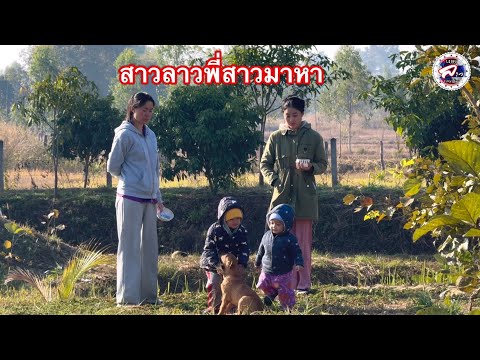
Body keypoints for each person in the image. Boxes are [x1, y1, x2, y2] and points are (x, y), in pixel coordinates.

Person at [260, 95, 327, 294]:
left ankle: (303, 285)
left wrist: (310, 167)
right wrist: (274, 180)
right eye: (287, 115)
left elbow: (323, 165)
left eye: (295, 115)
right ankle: (275, 284)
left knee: (302, 244)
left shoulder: (314, 138)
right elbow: (265, 164)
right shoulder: (275, 138)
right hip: (281, 198)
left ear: (302, 115)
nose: (291, 120)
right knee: (275, 243)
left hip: (305, 199)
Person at [107, 91, 164, 306]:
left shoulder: (151, 135)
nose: (147, 114)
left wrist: (158, 197)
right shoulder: (124, 135)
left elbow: (155, 168)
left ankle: (149, 297)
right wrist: (133, 179)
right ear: (133, 109)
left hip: (149, 199)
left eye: (150, 110)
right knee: (129, 247)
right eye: (144, 109)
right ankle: (128, 298)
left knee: (149, 248)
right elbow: (112, 167)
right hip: (129, 197)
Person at [199, 196, 249, 314]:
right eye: (231, 218)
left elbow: (244, 248)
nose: (235, 221)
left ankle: (231, 306)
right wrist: (217, 265)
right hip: (214, 264)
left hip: (232, 265)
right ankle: (215, 307)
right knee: (215, 283)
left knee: (236, 284)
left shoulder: (242, 231)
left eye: (238, 218)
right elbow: (209, 250)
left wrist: (242, 263)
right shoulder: (215, 229)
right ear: (224, 218)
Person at [255, 203, 304, 311]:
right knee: (262, 284)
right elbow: (261, 250)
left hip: (283, 271)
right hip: (267, 270)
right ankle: (271, 294)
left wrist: (299, 263)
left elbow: (297, 251)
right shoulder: (266, 235)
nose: (273, 226)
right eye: (272, 223)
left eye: (278, 224)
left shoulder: (290, 239)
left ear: (286, 225)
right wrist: (257, 262)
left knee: (284, 291)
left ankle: (287, 307)